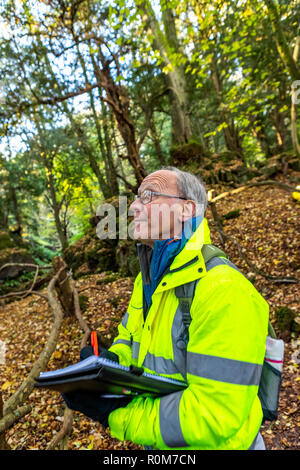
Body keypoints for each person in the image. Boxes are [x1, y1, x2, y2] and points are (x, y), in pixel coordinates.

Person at [62, 167, 268, 450]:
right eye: (136, 197)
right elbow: (130, 338)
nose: (133, 206)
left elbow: (211, 416)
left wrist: (115, 415)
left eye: (148, 196)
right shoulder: (146, 281)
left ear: (186, 210)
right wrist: (108, 365)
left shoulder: (226, 291)